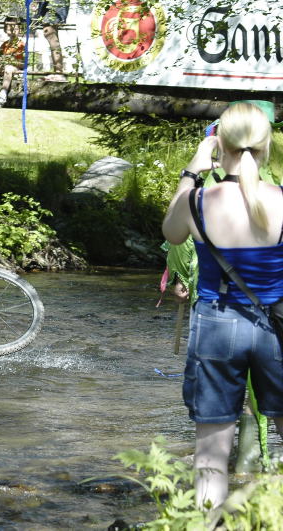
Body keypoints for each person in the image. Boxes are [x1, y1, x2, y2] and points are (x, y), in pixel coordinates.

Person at [162, 102, 283, 510]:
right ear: (265, 146)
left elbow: (172, 234)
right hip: (275, 328)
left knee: (211, 455)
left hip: (216, 324)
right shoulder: (281, 199)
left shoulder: (197, 200)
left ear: (220, 144)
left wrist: (192, 170)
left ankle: (207, 522)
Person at [0, 16, 26, 107]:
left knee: (8, 68)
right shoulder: (5, 44)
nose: (12, 31)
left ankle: (3, 92)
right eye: (9, 29)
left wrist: (9, 60)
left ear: (20, 30)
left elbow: (22, 63)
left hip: (14, 67)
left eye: (15, 29)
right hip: (2, 67)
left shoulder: (21, 44)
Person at [34, 0, 69, 82]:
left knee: (50, 33)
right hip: (51, 4)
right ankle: (57, 72)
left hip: (55, 4)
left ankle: (59, 72)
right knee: (50, 34)